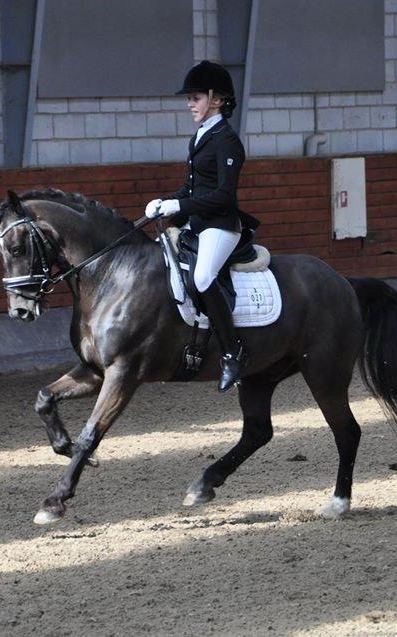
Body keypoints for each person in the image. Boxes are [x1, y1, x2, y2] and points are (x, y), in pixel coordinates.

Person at [145, 60, 258, 392]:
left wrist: (179, 205)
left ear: (218, 100)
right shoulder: (200, 137)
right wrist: (165, 201)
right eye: (189, 98)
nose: (189, 104)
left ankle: (232, 353)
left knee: (203, 276)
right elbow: (193, 189)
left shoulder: (227, 141)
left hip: (221, 225)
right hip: (197, 222)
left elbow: (223, 196)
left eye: (195, 98)